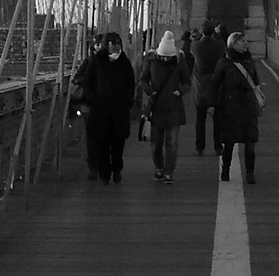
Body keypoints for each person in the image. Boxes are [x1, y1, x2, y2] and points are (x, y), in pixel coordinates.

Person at [77, 28, 138, 183]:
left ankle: (117, 169)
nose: (116, 47)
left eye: (118, 44)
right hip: (100, 110)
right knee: (102, 143)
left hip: (119, 110)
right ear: (106, 45)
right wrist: (91, 97)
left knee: (118, 144)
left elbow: (130, 83)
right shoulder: (97, 62)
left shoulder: (124, 62)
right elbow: (88, 81)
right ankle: (105, 174)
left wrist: (128, 99)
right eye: (113, 44)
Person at [210, 31, 263, 184]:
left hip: (248, 105)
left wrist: (258, 98)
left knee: (250, 141)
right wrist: (212, 104)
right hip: (231, 107)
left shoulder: (249, 61)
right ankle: (225, 170)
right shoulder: (225, 63)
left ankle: (250, 173)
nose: (246, 43)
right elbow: (214, 84)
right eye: (242, 41)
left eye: (246, 41)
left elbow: (256, 81)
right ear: (233, 44)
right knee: (229, 142)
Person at [142, 28, 192, 181]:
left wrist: (180, 91)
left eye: (167, 57)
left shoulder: (179, 62)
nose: (164, 59)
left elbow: (186, 81)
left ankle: (169, 170)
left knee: (171, 142)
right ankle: (159, 167)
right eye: (162, 57)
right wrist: (150, 91)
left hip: (173, 107)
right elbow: (143, 79)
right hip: (157, 107)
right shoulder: (151, 61)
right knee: (156, 143)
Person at [191, 16, 225, 153]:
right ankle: (218, 146)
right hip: (215, 83)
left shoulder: (196, 46)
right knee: (218, 119)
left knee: (200, 119)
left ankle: (200, 147)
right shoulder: (219, 44)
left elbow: (193, 46)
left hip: (200, 85)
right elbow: (222, 46)